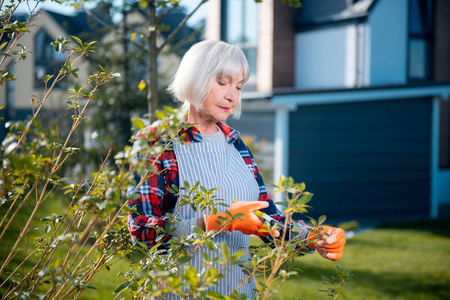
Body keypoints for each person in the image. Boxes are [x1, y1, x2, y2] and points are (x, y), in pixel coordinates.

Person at [126, 40, 346, 297]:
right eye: (223, 82)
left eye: (239, 86)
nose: (232, 95)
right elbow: (142, 230)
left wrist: (316, 237)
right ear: (196, 78)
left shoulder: (234, 143)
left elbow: (268, 220)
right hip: (178, 291)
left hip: (238, 291)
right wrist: (219, 222)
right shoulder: (156, 140)